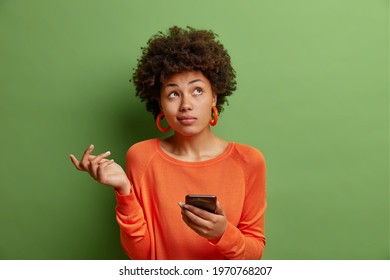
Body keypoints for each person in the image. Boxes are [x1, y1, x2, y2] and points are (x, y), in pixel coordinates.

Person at [69, 26, 266, 260]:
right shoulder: (141, 156)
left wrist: (222, 233)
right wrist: (124, 190)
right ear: (160, 103)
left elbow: (254, 256)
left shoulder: (249, 161)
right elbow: (141, 257)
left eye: (197, 91)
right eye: (173, 94)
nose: (185, 105)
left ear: (214, 96)